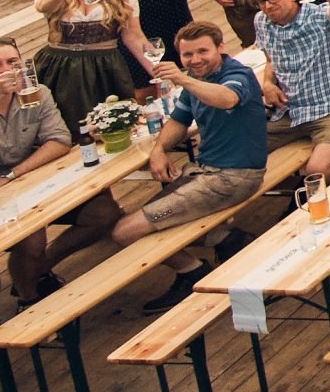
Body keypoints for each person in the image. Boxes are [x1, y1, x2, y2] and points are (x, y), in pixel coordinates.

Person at [104, 22, 268, 312]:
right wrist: (159, 150)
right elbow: (179, 121)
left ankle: (192, 271)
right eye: (187, 55)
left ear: (221, 47)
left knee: (124, 232)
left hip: (234, 177)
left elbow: (226, 99)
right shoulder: (195, 79)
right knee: (145, 220)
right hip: (203, 171)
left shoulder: (236, 75)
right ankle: (225, 239)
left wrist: (183, 79)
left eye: (202, 51)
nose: (195, 60)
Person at [0, 40, 72, 303]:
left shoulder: (36, 92)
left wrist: (9, 177)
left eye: (12, 62)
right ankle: (29, 298)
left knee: (102, 213)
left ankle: (40, 269)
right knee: (31, 238)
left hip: (21, 186)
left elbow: (60, 140)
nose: (6, 70)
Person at [248, 0, 330, 184]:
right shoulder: (261, 21)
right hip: (290, 112)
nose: (268, 5)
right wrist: (268, 83)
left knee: (317, 171)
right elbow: (271, 59)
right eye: (261, 1)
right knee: (241, 151)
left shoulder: (317, 16)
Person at [28, 0, 153, 130]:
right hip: (60, 67)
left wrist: (158, 71)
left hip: (104, 65)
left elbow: (134, 37)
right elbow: (42, 6)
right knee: (67, 126)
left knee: (113, 123)